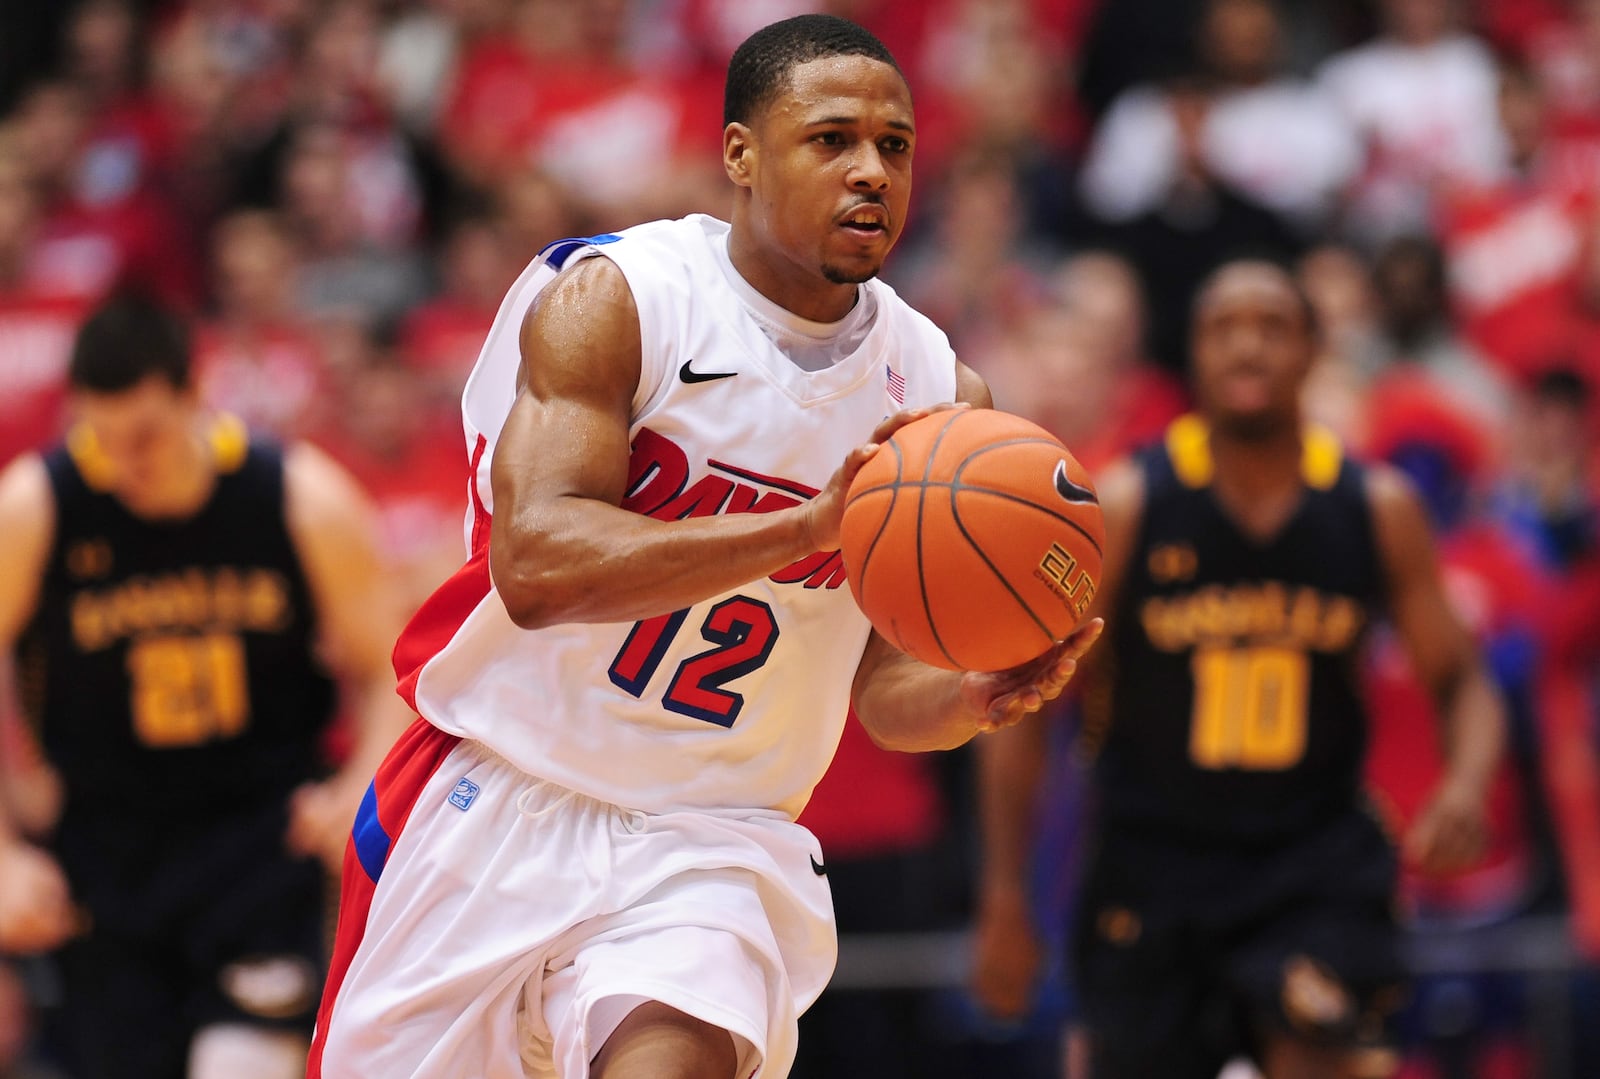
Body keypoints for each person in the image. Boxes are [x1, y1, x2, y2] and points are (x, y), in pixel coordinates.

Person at [308, 14, 1101, 1079]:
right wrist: (805, 528)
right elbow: (537, 568)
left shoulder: (936, 393)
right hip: (499, 796)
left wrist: (970, 695)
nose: (871, 170)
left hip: (709, 836)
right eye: (832, 140)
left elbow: (879, 687)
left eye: (896, 145)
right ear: (740, 153)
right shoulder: (617, 302)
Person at [971, 260, 1506, 1079]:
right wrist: (1006, 893)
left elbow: (1462, 681)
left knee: (1321, 1051)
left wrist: (1464, 784)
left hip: (1312, 860)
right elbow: (1027, 706)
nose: (1247, 346)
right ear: (1192, 356)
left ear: (1313, 352)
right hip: (1152, 861)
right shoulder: (1127, 504)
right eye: (1223, 328)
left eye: (1271, 326)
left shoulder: (1374, 508)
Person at [0, 291, 412, 1079]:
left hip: (255, 844)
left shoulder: (298, 496)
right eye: (101, 438)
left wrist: (359, 786)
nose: (126, 463)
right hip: (104, 853)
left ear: (197, 393)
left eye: (146, 436)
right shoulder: (37, 505)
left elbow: (396, 666)